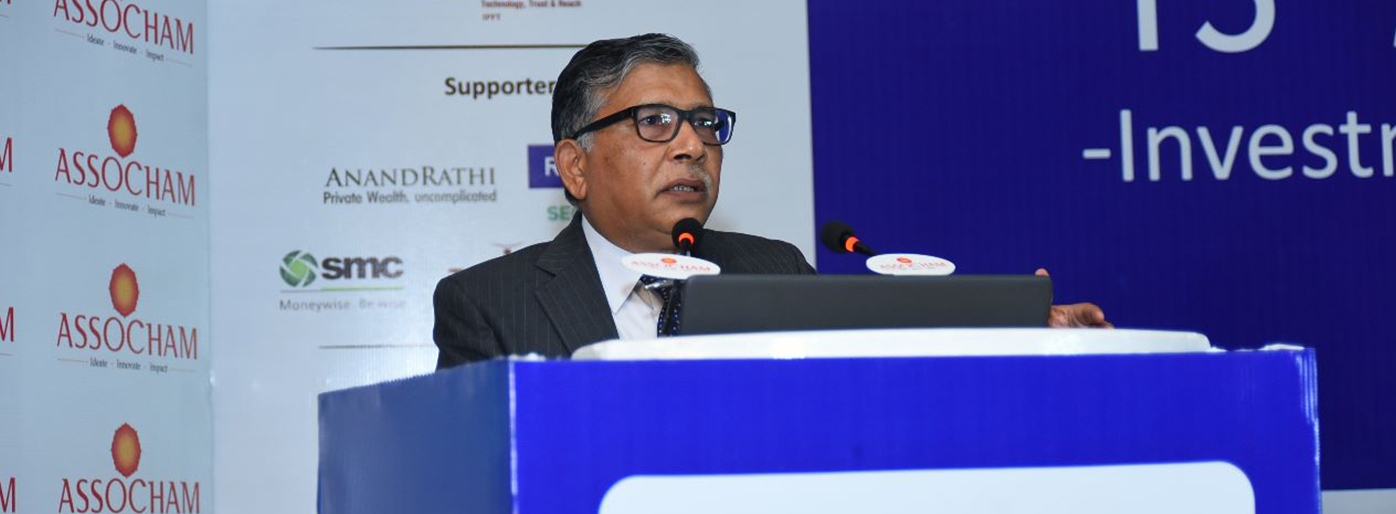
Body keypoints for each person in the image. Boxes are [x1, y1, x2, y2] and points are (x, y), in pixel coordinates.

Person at [434, 33, 1106, 369]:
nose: (692, 146)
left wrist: (1022, 338)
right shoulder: (491, 305)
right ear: (574, 166)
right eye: (655, 122)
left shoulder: (773, 270)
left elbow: (875, 380)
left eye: (705, 123)